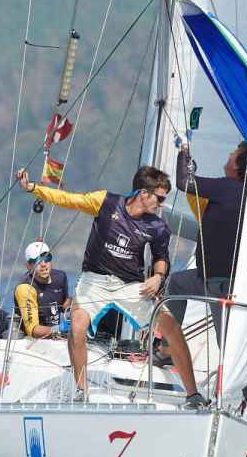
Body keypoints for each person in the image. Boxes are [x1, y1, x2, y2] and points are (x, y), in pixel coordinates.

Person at [15, 165, 206, 409]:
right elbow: (69, 200)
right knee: (77, 327)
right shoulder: (106, 202)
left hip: (130, 286)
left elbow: (161, 258)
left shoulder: (157, 227)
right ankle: (81, 391)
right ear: (143, 193)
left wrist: (158, 277)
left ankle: (193, 395)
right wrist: (33, 188)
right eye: (159, 198)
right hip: (95, 281)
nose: (162, 204)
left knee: (172, 330)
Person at [165, 141, 247, 335]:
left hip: (220, 282)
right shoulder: (246, 192)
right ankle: (169, 350)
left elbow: (184, 182)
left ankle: (171, 350)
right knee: (176, 283)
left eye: (233, 153)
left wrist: (183, 153)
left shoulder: (229, 187)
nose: (229, 153)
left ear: (237, 165)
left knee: (226, 344)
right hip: (212, 278)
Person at [14, 241, 71, 339]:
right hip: (32, 339)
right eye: (37, 261)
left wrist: (74, 311)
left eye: (47, 258)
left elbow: (65, 303)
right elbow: (33, 329)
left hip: (57, 336)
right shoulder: (25, 289)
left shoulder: (60, 277)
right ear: (28, 266)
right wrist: (60, 330)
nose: (43, 264)